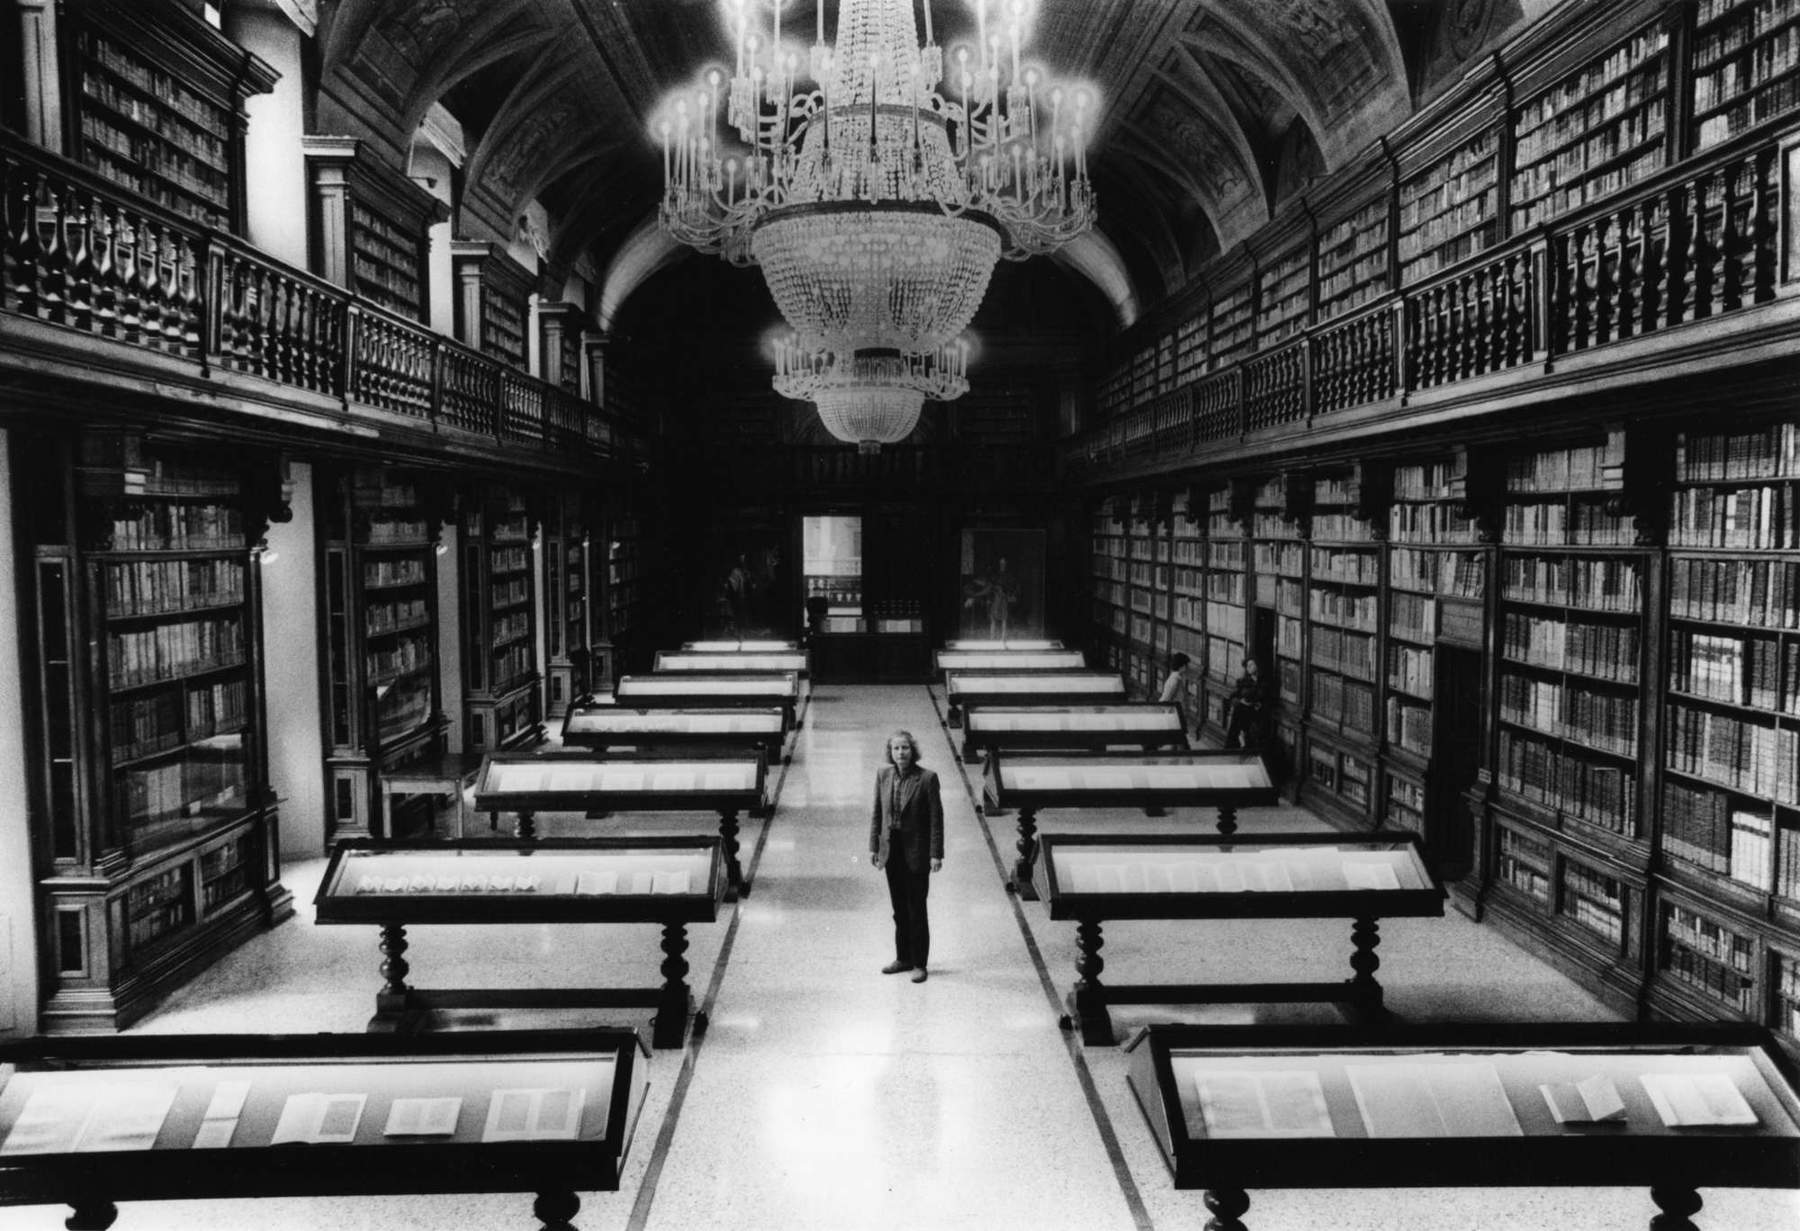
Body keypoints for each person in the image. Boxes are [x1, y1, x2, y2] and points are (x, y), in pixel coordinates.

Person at [869, 729, 944, 983]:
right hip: (892, 849)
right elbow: (877, 813)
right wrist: (874, 846)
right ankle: (903, 958)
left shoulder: (927, 779)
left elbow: (936, 819)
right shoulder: (883, 775)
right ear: (890, 752)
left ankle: (920, 963)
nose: (900, 753)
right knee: (898, 908)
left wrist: (935, 854)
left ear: (913, 751)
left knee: (916, 909)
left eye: (905, 748)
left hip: (917, 851)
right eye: (896, 748)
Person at [1224, 657, 1268, 749]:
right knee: (1238, 720)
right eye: (1247, 665)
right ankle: (1237, 743)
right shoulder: (1243, 681)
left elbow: (1263, 697)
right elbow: (1233, 696)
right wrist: (1241, 701)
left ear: (1258, 666)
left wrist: (1257, 703)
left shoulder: (1263, 682)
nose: (1248, 667)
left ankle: (1244, 742)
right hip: (1242, 709)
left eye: (1251, 665)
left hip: (1256, 712)